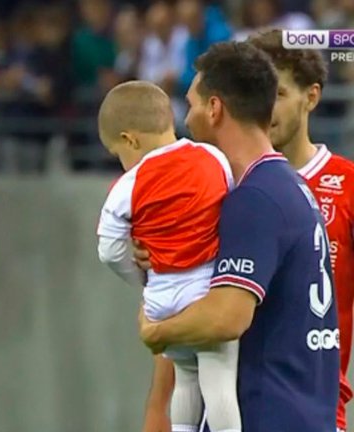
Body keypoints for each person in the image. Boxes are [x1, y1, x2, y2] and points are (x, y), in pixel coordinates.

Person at [142, 30, 354, 432]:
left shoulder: (261, 196)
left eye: (191, 105)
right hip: (300, 406)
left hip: (270, 408)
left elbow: (226, 317)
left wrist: (155, 330)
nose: (186, 119)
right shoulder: (285, 188)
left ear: (215, 108)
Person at [96, 81, 239, 432]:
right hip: (205, 290)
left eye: (118, 153)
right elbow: (232, 210)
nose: (122, 162)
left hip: (162, 298)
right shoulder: (212, 157)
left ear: (131, 140)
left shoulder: (128, 185)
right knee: (217, 380)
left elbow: (108, 250)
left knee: (185, 378)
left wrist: (141, 277)